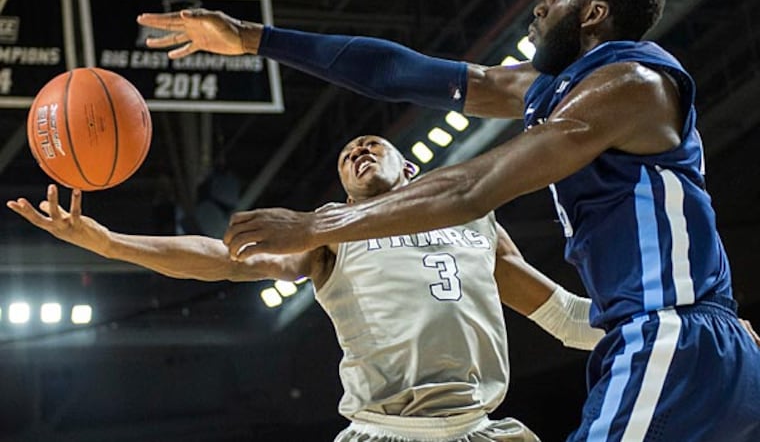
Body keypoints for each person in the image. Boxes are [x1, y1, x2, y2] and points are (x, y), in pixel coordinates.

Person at [136, 0, 760, 441]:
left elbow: (472, 186)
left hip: (669, 339)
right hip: (674, 338)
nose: (540, 6)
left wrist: (317, 225)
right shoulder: (552, 86)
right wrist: (253, 38)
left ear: (593, 12)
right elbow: (398, 72)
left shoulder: (629, 83)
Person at [8, 135, 604, 442]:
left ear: (411, 170)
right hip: (386, 431)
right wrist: (111, 243)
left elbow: (566, 318)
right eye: (347, 155)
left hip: (478, 427)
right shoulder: (329, 229)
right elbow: (224, 259)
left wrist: (672, 320)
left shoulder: (473, 220)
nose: (359, 152)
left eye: (372, 145)